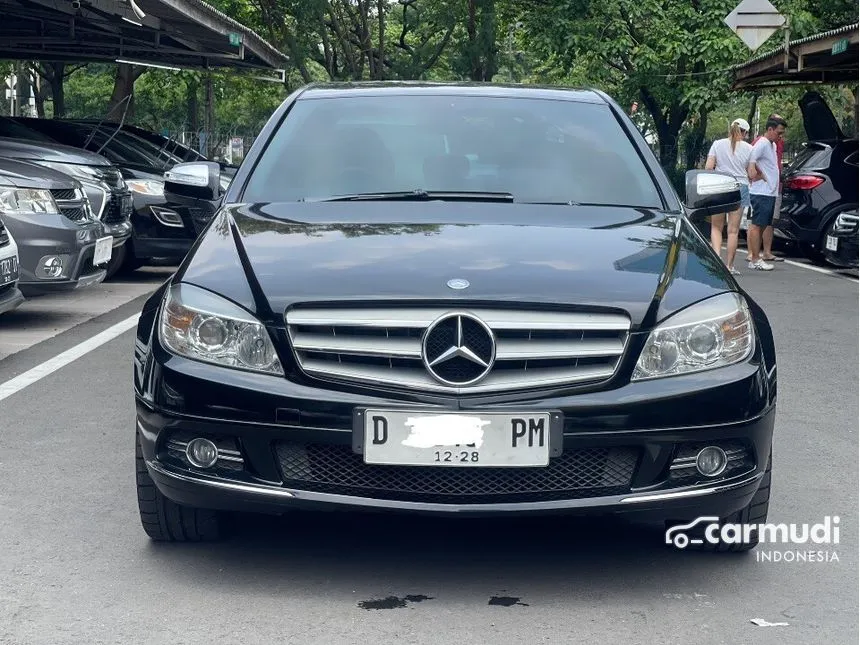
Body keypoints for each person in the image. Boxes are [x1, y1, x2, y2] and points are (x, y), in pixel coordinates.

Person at [705, 118, 752, 275]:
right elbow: (751, 172)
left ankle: (716, 260)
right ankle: (729, 266)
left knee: (716, 227)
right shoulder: (749, 148)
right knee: (733, 231)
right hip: (740, 187)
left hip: (720, 185)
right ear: (744, 132)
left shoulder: (717, 144)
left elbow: (708, 167)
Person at [747, 115, 788, 271]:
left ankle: (757, 257)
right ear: (770, 129)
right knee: (757, 225)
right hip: (761, 192)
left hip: (770, 191)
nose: (780, 136)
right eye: (779, 132)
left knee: (763, 225)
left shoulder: (773, 145)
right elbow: (750, 160)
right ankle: (755, 259)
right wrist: (757, 175)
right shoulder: (762, 144)